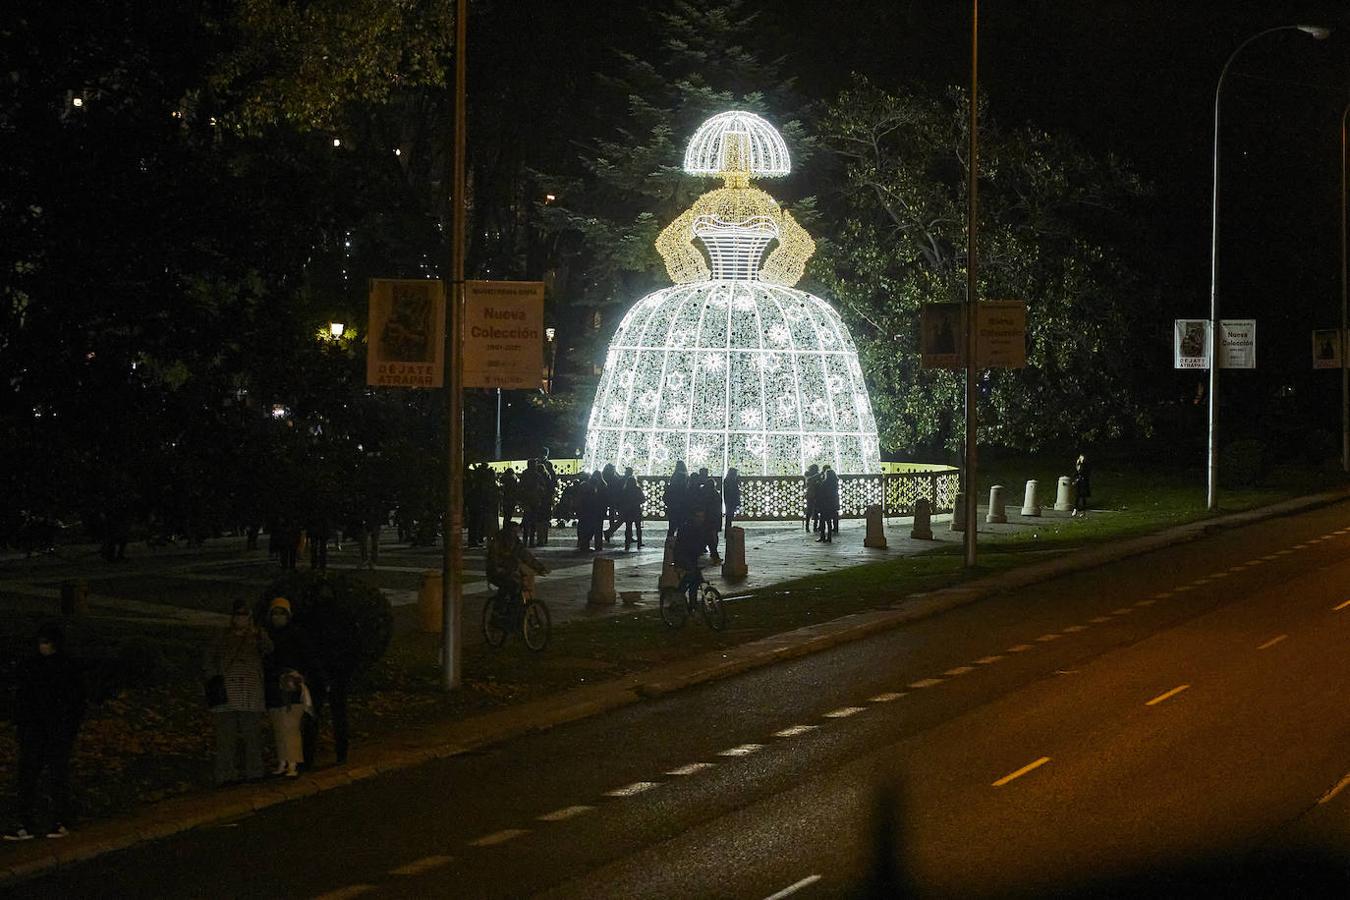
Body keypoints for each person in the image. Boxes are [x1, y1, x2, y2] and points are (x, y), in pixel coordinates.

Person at [4, 624, 86, 841]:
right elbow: (23, 698)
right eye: (41, 642)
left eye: (47, 642)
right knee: (29, 775)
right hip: (34, 729)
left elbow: (75, 701)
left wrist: (68, 729)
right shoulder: (32, 666)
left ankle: (59, 820)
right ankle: (26, 822)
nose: (43, 647)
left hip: (55, 730)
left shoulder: (65, 667)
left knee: (56, 774)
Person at [203, 599, 272, 786]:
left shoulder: (258, 636)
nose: (241, 618)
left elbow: (269, 652)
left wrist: (258, 636)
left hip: (251, 691)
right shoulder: (221, 637)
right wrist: (215, 678)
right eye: (238, 615)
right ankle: (226, 774)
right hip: (227, 692)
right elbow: (208, 661)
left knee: (252, 735)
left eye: (245, 615)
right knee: (226, 736)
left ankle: (254, 771)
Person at [263, 597, 324, 777]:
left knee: (291, 725)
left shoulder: (297, 635)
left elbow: (309, 658)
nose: (278, 617)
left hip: (292, 684)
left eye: (282, 613)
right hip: (275, 684)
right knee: (279, 725)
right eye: (275, 613)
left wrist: (305, 677)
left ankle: (293, 763)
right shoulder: (267, 636)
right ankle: (283, 761)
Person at [486, 522, 549, 606]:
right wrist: (501, 569)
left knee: (519, 586)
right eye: (514, 532)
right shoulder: (498, 541)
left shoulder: (515, 542)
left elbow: (526, 555)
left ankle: (515, 610)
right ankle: (499, 610)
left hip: (509, 571)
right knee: (512, 586)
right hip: (497, 572)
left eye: (516, 532)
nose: (515, 534)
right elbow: (493, 559)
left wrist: (539, 568)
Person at [619, 475, 645, 551]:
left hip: (628, 511)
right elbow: (643, 499)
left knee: (628, 527)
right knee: (638, 527)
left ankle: (627, 543)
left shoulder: (625, 490)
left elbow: (622, 501)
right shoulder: (637, 489)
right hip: (636, 510)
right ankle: (639, 542)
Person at [664, 461, 689, 537]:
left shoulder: (674, 477)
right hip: (682, 506)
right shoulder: (685, 476)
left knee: (671, 527)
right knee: (681, 527)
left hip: (673, 507)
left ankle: (669, 545)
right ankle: (680, 544)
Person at [818, 466, 840, 543]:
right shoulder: (835, 483)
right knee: (829, 521)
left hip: (825, 505)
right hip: (833, 504)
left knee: (822, 521)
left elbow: (821, 494)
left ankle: (822, 536)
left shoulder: (824, 483)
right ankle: (829, 537)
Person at [1072, 454, 1092, 518]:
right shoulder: (1078, 465)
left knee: (1083, 497)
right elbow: (1076, 473)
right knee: (1077, 496)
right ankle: (1075, 509)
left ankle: (1083, 511)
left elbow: (1085, 473)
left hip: (1084, 482)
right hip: (1078, 482)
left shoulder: (1086, 465)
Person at [722, 467, 741, 534]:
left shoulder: (727, 480)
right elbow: (734, 491)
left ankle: (728, 532)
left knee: (729, 517)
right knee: (729, 517)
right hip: (731, 502)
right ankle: (728, 532)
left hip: (728, 501)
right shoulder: (730, 481)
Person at [804, 464, 821, 534]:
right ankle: (808, 526)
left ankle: (814, 527)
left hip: (815, 495)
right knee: (810, 511)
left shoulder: (816, 476)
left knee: (815, 511)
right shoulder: (808, 475)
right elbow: (809, 480)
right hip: (811, 495)